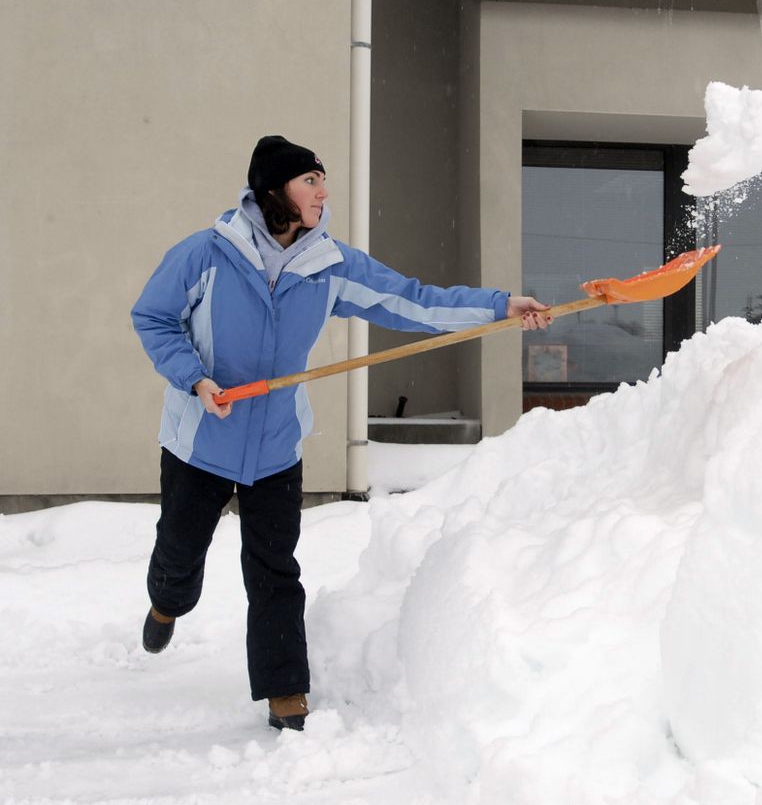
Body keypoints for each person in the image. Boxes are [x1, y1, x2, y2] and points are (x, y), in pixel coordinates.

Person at [131, 135, 550, 731]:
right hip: (201, 439)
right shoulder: (206, 254)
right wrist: (193, 378)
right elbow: (152, 316)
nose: (324, 192)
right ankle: (166, 604)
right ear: (274, 190)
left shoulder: (329, 266)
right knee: (179, 556)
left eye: (323, 180)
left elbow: (415, 302)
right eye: (311, 181)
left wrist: (500, 306)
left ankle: (284, 688)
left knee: (274, 567)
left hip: (275, 445)